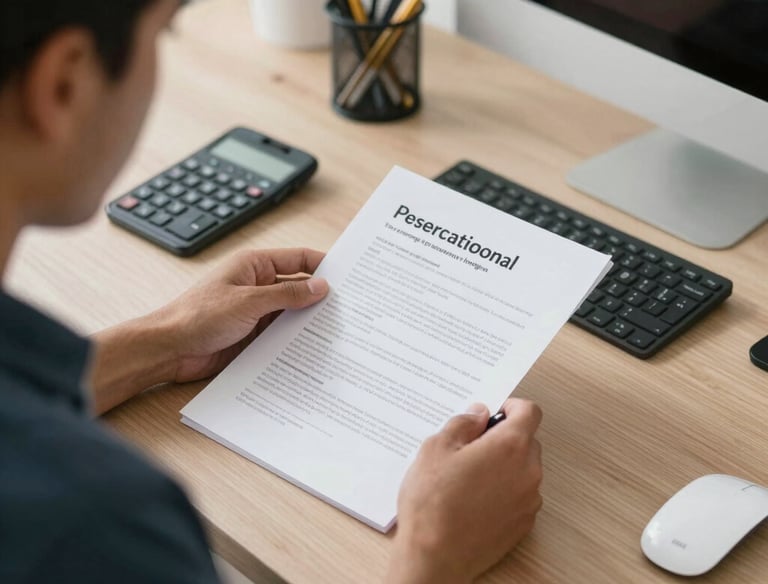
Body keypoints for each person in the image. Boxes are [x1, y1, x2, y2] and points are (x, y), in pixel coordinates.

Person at [0, 1, 543, 583]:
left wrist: (167, 343)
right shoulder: (98, 524)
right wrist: (432, 555)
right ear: (64, 83)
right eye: (164, 34)